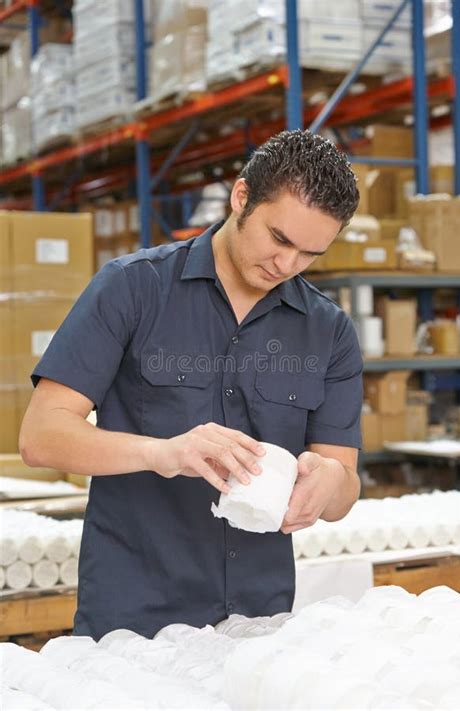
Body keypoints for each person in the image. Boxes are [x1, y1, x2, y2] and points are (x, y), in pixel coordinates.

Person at [20, 129, 363, 641]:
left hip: (259, 623)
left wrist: (331, 484)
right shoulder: (132, 288)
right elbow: (40, 437)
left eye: (310, 254)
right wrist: (165, 453)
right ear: (241, 197)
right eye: (280, 239)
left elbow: (345, 484)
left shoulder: (329, 330)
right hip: (133, 622)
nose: (286, 265)